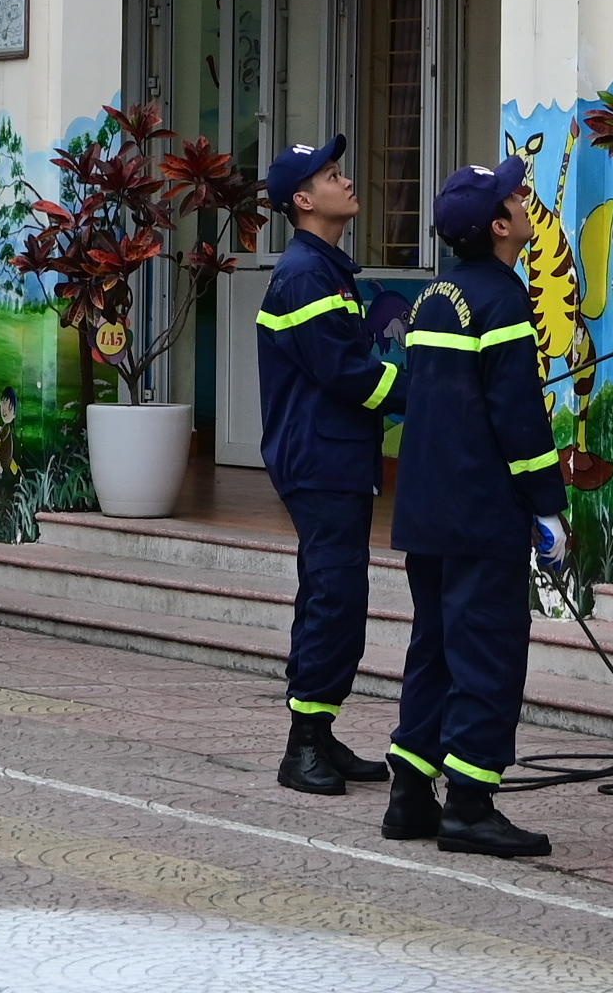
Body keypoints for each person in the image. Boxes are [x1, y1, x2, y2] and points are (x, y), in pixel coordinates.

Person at [380, 159, 570, 857]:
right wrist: (547, 506)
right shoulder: (502, 299)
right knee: (487, 653)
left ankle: (410, 793)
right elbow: (518, 418)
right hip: (482, 510)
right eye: (516, 197)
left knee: (432, 649)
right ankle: (468, 803)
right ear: (498, 226)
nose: (525, 202)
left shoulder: (437, 296)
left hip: (426, 509)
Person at [254, 133, 404, 796]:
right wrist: (432, 393)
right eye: (333, 175)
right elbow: (348, 373)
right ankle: (303, 745)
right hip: (319, 461)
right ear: (303, 199)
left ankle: (322, 729)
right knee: (333, 598)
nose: (348, 182)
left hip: (335, 458)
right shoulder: (305, 276)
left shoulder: (326, 269)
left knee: (337, 596)